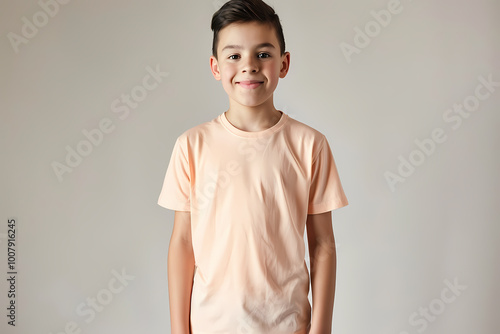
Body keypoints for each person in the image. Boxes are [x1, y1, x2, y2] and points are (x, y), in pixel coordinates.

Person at [157, 0, 348, 333]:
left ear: (283, 63)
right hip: (210, 326)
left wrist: (321, 330)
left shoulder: (309, 145)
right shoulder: (192, 146)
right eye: (234, 56)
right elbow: (182, 243)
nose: (249, 66)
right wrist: (179, 330)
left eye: (263, 54)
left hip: (287, 326)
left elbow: (323, 245)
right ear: (216, 67)